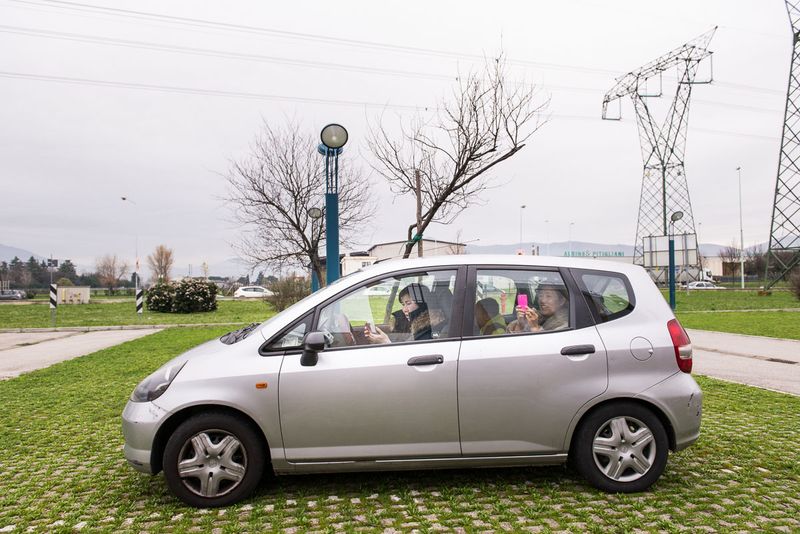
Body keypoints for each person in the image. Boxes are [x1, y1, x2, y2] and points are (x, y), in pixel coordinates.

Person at [364, 283, 432, 343]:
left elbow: (411, 354)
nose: (404, 309)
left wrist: (386, 342)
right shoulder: (412, 325)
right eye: (403, 304)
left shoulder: (427, 331)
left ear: (422, 304)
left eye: (408, 303)